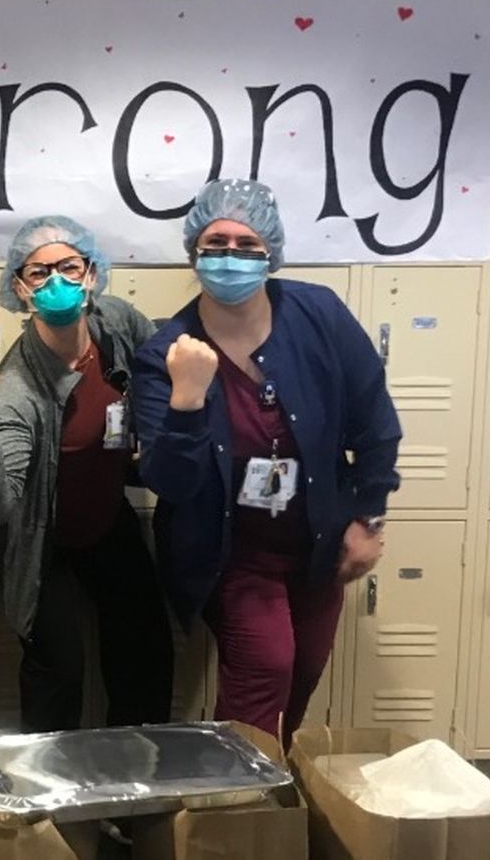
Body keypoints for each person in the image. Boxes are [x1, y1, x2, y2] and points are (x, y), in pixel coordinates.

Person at [131, 178, 401, 744]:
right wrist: (186, 399)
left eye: (246, 244)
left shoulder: (318, 314)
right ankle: (241, 792)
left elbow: (375, 422)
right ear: (194, 252)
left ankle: (267, 781)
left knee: (302, 674)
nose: (230, 256)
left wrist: (368, 516)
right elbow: (170, 482)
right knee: (265, 670)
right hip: (233, 554)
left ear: (270, 251)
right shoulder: (165, 352)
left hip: (320, 544)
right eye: (215, 243)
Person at [0, 216, 174, 734]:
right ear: (20, 288)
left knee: (146, 651)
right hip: (35, 534)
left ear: (91, 274)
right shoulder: (17, 388)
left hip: (103, 514)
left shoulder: (115, 321)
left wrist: (155, 426)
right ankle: (51, 782)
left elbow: (157, 362)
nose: (56, 281)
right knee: (59, 668)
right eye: (39, 272)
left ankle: (136, 774)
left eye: (69, 267)